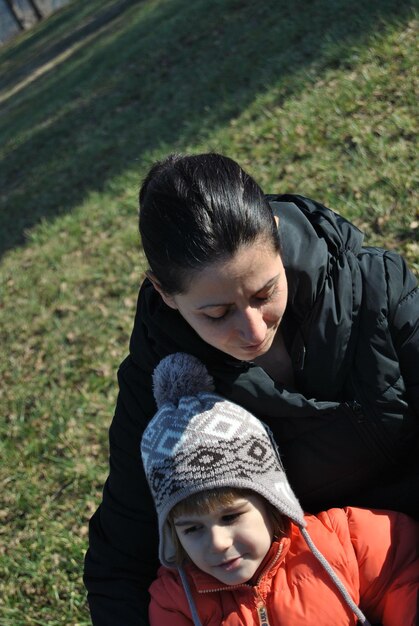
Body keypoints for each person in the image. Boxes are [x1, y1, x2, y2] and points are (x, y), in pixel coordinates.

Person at [84, 153, 419, 625]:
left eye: (264, 293)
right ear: (164, 293)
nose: (253, 330)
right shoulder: (155, 383)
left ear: (278, 238)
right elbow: (120, 558)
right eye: (217, 314)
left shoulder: (376, 286)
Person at [141, 352, 419, 626]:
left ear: (272, 501)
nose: (217, 543)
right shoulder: (176, 601)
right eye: (192, 529)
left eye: (230, 517)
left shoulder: (339, 542)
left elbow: (400, 567)